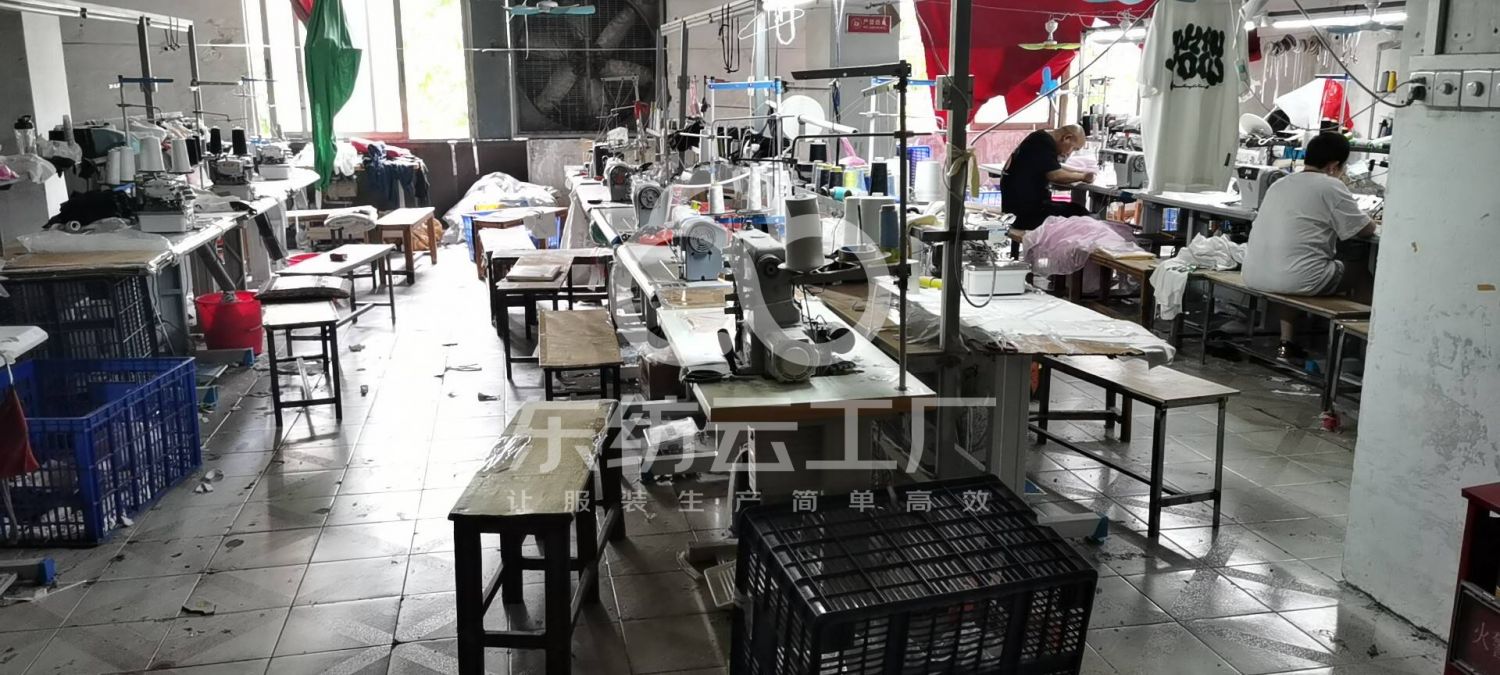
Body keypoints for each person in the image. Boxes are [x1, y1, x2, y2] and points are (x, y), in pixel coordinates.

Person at [1242, 132, 1377, 358]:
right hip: (1295, 278)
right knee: (1361, 271)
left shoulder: (1280, 183)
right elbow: (1365, 229)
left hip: (1254, 273)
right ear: (1334, 166)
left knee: (1295, 265)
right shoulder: (1331, 186)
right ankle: (1356, 347)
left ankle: (1286, 342)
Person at [999, 125, 1096, 230]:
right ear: (1066, 138)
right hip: (1026, 213)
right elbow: (1055, 175)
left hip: (1017, 208)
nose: (1069, 153)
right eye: (1073, 148)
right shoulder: (1043, 143)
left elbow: (1054, 167)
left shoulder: (1039, 138)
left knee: (1076, 209)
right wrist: (1083, 177)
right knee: (1082, 215)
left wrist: (1079, 172)